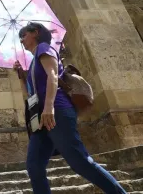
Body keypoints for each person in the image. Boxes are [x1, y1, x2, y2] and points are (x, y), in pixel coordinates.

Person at [13, 22, 127, 194]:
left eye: (24, 35)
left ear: (35, 33)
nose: (21, 39)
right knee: (34, 166)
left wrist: (49, 107)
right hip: (41, 119)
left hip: (56, 111)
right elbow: (29, 96)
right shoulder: (33, 64)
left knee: (79, 161)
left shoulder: (45, 48)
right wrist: (22, 77)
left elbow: (53, 76)